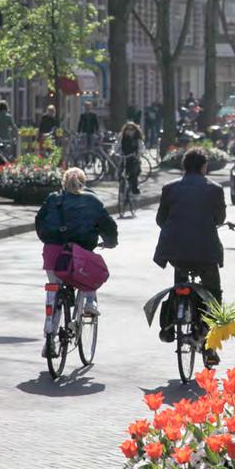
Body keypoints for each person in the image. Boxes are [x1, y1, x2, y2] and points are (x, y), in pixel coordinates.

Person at [153, 148, 226, 367]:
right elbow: (219, 218)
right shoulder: (215, 189)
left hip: (177, 251)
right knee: (213, 295)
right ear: (204, 167)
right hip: (205, 252)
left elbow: (160, 219)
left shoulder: (169, 188)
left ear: (183, 167)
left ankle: (168, 325)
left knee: (180, 285)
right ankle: (210, 346)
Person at [36, 168, 118, 325]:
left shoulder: (52, 199)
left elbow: (39, 221)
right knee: (90, 274)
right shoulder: (93, 200)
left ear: (63, 182)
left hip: (53, 253)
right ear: (84, 182)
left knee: (54, 287)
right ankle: (89, 301)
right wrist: (110, 242)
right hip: (79, 256)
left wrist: (47, 240)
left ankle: (50, 329)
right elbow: (108, 225)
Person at [118, 121, 145, 194]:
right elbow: (117, 146)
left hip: (134, 159)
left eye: (131, 129)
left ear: (135, 130)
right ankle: (122, 189)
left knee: (133, 175)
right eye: (128, 129)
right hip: (124, 158)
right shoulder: (122, 137)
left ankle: (134, 190)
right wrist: (115, 152)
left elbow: (141, 148)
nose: (129, 131)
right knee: (120, 173)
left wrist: (138, 154)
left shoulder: (137, 139)